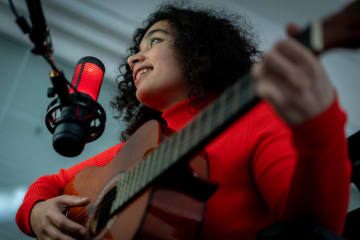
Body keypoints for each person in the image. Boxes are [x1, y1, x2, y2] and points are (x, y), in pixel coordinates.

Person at [16, 2, 351, 240]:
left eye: (156, 40)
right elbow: (49, 184)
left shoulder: (256, 119)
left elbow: (316, 227)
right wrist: (36, 214)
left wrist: (320, 126)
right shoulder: (133, 154)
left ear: (199, 52)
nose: (134, 58)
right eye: (137, 50)